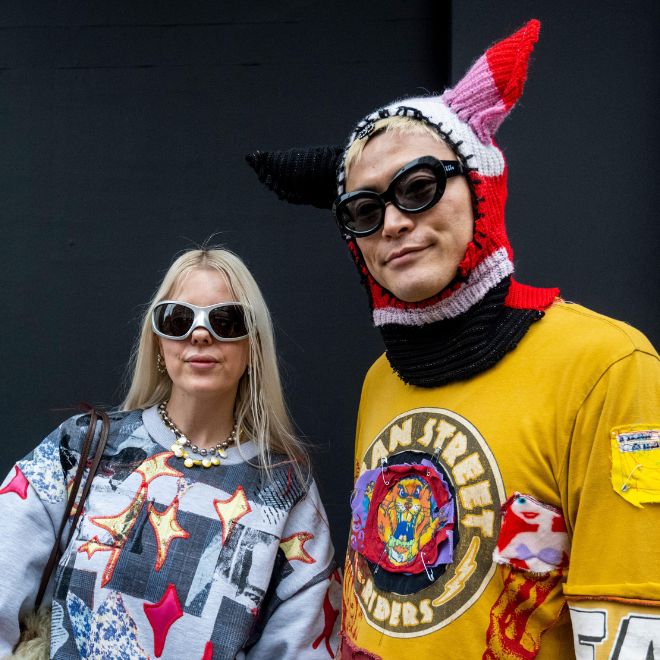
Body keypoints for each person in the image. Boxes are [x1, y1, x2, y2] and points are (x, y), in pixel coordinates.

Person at [247, 20, 660, 660]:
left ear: (479, 186)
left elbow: (632, 626)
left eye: (419, 188)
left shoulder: (608, 367)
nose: (393, 224)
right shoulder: (382, 380)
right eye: (363, 209)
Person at [0, 248, 341, 659]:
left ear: (253, 345)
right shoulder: (83, 447)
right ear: (158, 341)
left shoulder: (285, 488)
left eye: (226, 320)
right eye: (179, 320)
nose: (200, 334)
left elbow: (305, 645)